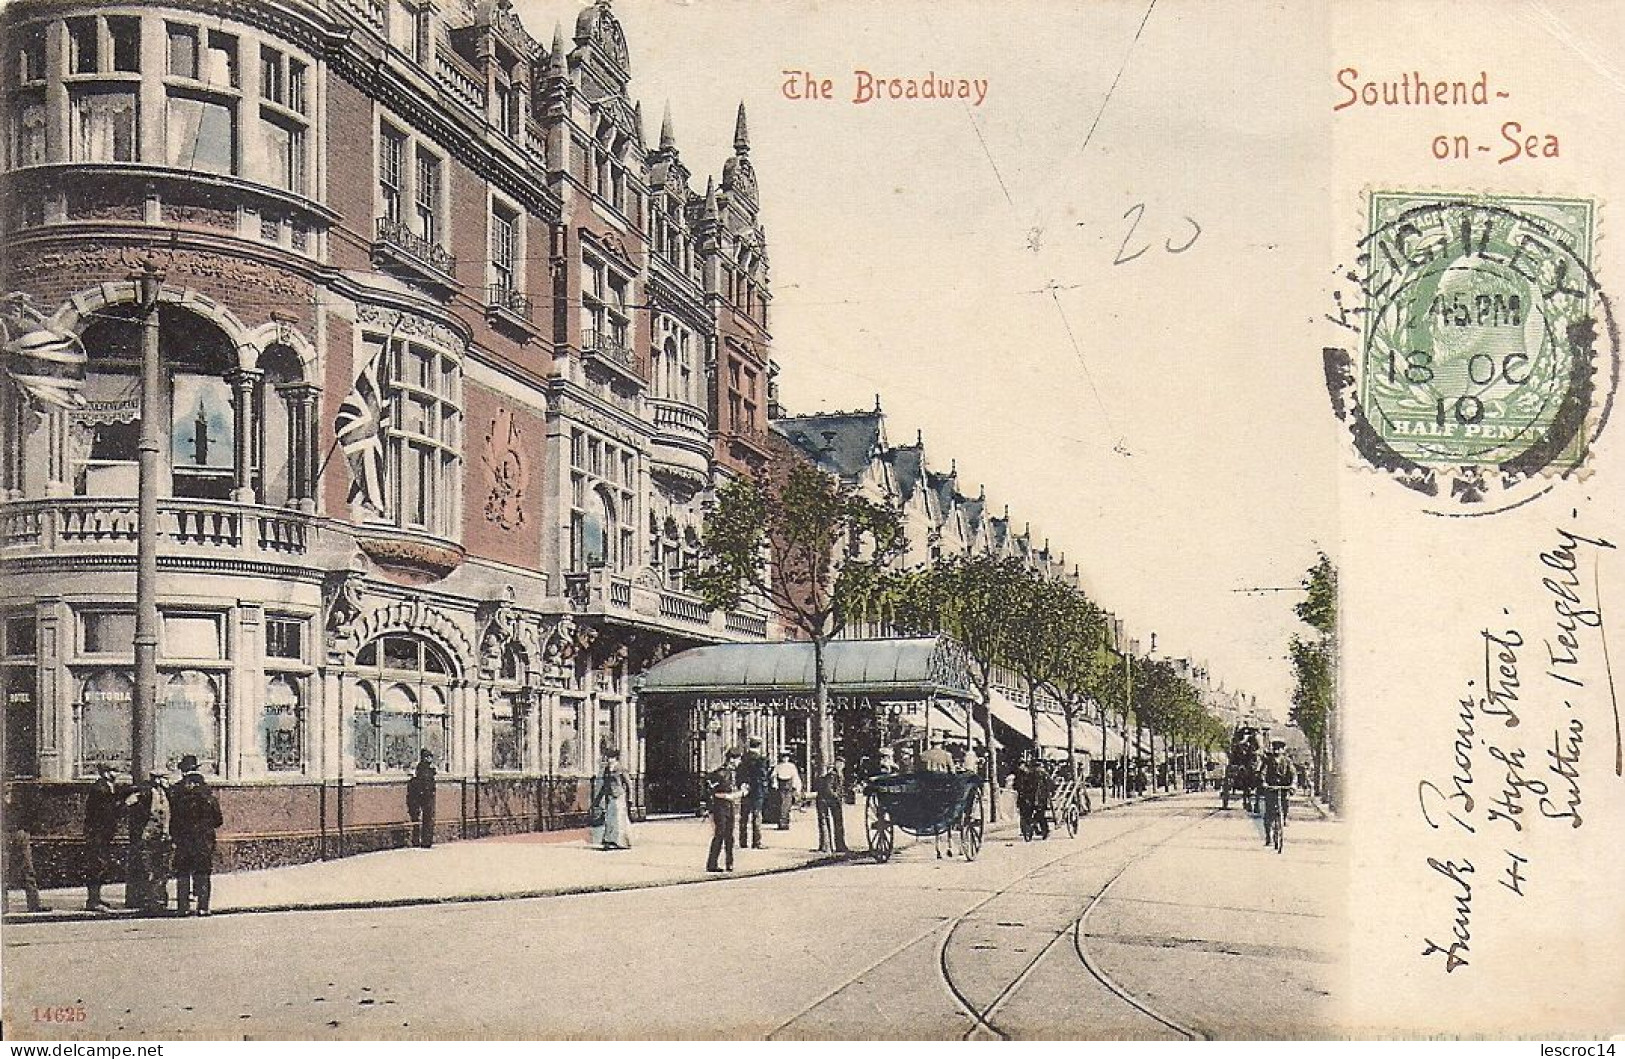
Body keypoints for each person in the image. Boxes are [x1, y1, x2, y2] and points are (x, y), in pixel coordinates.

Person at [171, 755, 223, 916]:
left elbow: (172, 817)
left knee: (183, 873)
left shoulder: (177, 791)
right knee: (203, 873)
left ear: (182, 770)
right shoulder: (207, 793)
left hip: (183, 839)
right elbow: (218, 820)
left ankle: (183, 907)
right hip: (203, 839)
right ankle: (203, 907)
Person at [127, 772, 173, 913]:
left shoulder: (167, 794)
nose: (168, 781)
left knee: (162, 868)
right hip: (147, 836)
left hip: (163, 836)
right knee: (148, 867)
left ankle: (159, 899)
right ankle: (148, 900)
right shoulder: (145, 793)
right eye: (165, 778)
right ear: (158, 780)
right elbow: (131, 807)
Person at [83, 763, 123, 912]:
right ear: (106, 773)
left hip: (103, 833)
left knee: (101, 865)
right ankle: (93, 901)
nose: (117, 774)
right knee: (96, 865)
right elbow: (106, 812)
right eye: (114, 770)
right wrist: (124, 805)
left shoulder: (108, 787)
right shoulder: (100, 789)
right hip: (97, 834)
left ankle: (96, 898)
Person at [3, 786, 41, 914]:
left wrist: (26, 829)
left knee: (28, 868)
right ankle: (3, 906)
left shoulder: (20, 797)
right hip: (4, 834)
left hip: (20, 832)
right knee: (3, 870)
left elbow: (31, 811)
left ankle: (34, 904)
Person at [705, 749, 745, 872]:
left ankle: (729, 863)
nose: (739, 762)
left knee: (730, 836)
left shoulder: (734, 773)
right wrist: (729, 796)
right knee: (720, 834)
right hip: (720, 807)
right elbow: (713, 792)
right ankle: (712, 864)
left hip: (730, 806)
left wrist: (740, 792)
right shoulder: (720, 773)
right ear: (732, 759)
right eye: (738, 759)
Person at [590, 749, 633, 850]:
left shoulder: (621, 769)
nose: (609, 760)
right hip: (609, 796)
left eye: (611, 758)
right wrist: (598, 799)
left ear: (615, 758)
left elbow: (629, 784)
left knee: (619, 819)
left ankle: (622, 842)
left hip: (619, 796)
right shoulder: (606, 770)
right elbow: (604, 785)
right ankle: (609, 840)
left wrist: (630, 798)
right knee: (610, 819)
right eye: (608, 758)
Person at [736, 736, 771, 849]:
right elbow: (763, 776)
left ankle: (743, 841)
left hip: (746, 790)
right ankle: (757, 842)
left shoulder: (743, 759)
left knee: (744, 816)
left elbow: (739, 775)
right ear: (759, 746)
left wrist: (742, 786)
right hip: (757, 791)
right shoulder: (761, 760)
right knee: (757, 815)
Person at [1261, 738, 1295, 841]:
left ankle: (1283, 818)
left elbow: (1293, 774)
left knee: (1285, 803)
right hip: (1271, 788)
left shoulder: (1287, 761)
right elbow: (1263, 772)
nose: (1277, 750)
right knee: (1268, 813)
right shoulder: (1268, 761)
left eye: (1279, 748)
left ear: (1283, 750)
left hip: (1284, 788)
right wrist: (1264, 782)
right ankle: (1268, 835)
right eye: (1275, 748)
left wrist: (1293, 784)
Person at [814, 756, 849, 854]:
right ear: (836, 764)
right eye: (839, 764)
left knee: (838, 823)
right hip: (826, 800)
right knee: (825, 822)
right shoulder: (831, 775)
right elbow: (828, 789)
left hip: (833, 800)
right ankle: (827, 846)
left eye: (842, 764)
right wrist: (837, 796)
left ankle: (839, 845)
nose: (841, 766)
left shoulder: (840, 774)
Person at [406, 750, 437, 849]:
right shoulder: (423, 769)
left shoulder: (427, 769)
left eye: (430, 757)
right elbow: (425, 783)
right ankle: (425, 841)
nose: (430, 759)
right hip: (424, 797)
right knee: (427, 818)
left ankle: (425, 840)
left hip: (425, 796)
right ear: (424, 758)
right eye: (428, 757)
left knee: (426, 818)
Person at [771, 751, 802, 830]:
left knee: (787, 805)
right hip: (781, 787)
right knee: (781, 804)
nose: (785, 759)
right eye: (783, 757)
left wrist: (796, 787)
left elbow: (795, 777)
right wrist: (775, 784)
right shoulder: (778, 766)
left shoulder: (791, 766)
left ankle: (785, 823)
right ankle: (781, 823)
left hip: (789, 787)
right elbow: (773, 776)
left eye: (786, 757)